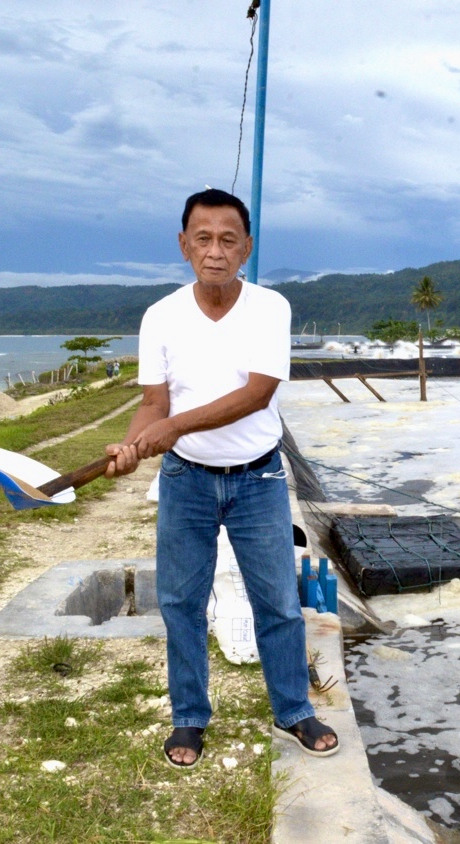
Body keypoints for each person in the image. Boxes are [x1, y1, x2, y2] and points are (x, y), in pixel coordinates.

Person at [104, 188, 338, 768]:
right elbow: (153, 404)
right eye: (203, 238)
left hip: (258, 479)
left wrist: (174, 424)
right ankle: (189, 719)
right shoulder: (160, 316)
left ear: (247, 248)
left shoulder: (270, 307)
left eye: (228, 239)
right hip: (187, 481)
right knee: (182, 603)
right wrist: (132, 444)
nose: (215, 251)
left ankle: (292, 711)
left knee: (279, 603)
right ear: (184, 245)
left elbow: (258, 396)